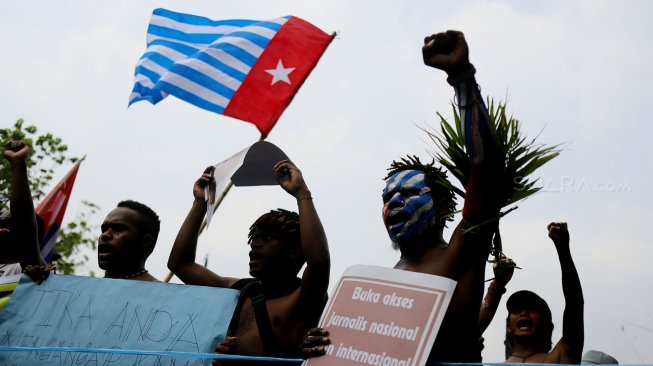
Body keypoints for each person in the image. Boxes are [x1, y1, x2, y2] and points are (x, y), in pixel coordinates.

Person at [302, 30, 506, 363]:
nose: (393, 203)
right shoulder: (378, 286)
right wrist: (321, 346)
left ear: (441, 205)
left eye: (408, 193)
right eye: (387, 197)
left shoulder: (461, 252)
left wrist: (462, 78)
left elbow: (487, 172)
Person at [168, 160, 330, 361]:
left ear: (295, 252)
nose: (255, 245)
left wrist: (302, 194)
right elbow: (180, 264)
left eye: (268, 238)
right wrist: (200, 202)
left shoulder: (304, 298)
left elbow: (319, 263)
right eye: (254, 238)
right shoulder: (241, 291)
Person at [505, 222, 583, 364]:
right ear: (508, 326)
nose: (524, 312)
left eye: (533, 309)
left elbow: (575, 304)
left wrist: (563, 249)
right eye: (516, 309)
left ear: (549, 325)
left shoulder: (559, 359)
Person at [1, 141, 49, 283]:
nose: (3, 228)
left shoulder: (31, 271)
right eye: (1, 221)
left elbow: (24, 226)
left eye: (12, 225)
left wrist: (18, 164)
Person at [98, 199, 161, 281]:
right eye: (104, 229)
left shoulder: (162, 293)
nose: (105, 235)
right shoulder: (82, 289)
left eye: (118, 229)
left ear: (146, 241)